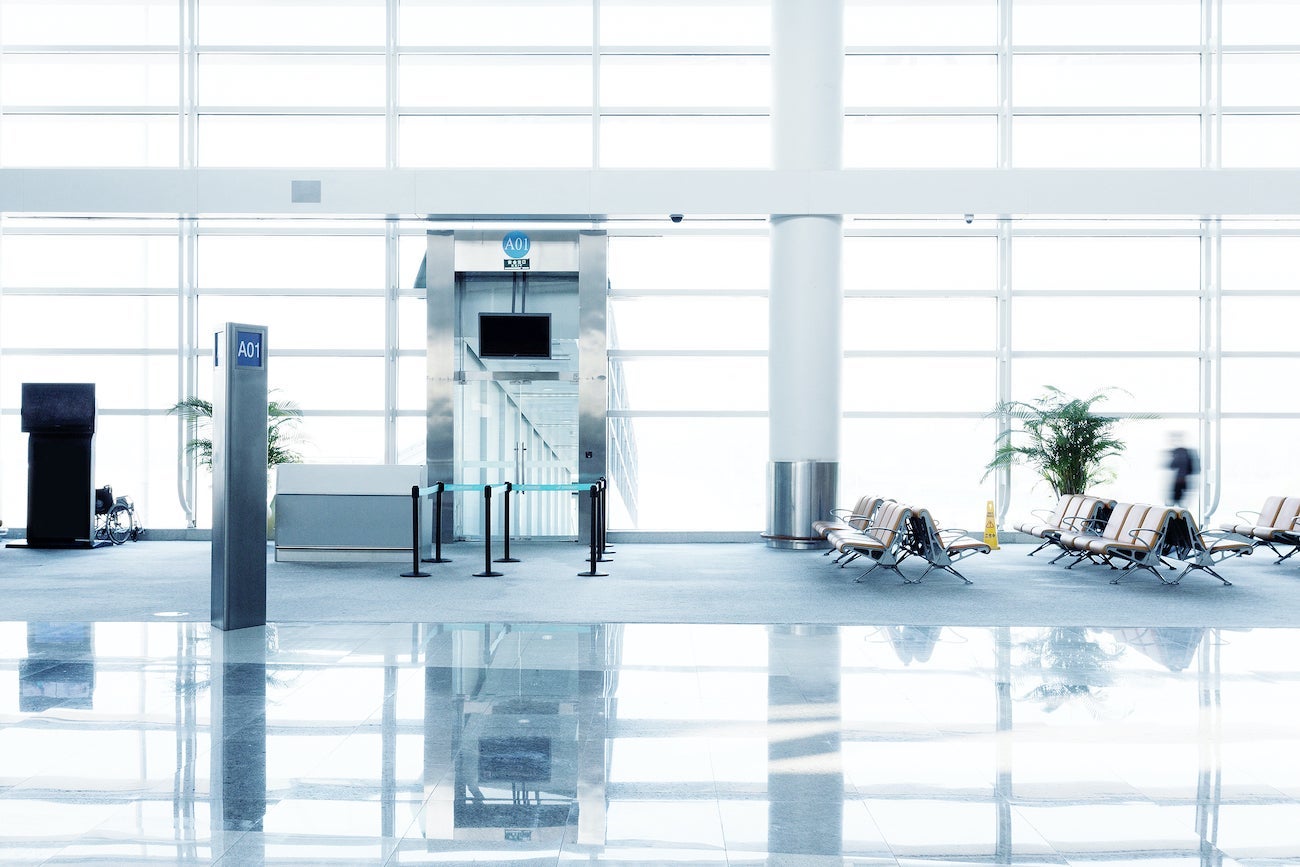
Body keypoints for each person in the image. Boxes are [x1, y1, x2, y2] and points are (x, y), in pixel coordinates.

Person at [1167, 433, 1199, 506]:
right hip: (1183, 480)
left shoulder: (1179, 453)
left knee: (1175, 502)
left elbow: (1172, 465)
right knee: (1178, 502)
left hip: (1179, 480)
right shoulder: (1186, 453)